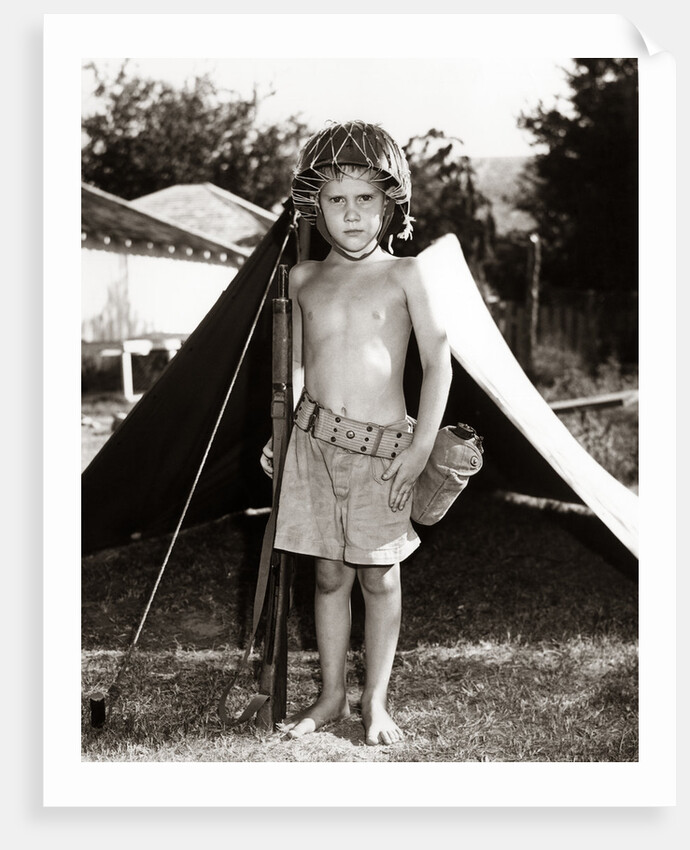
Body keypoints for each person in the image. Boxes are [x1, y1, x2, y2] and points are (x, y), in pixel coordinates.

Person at [260, 120, 452, 746]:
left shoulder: (406, 273)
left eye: (364, 198)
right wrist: (280, 431)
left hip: (383, 453)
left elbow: (439, 359)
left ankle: (376, 702)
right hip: (313, 448)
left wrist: (421, 448)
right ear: (315, 205)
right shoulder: (301, 280)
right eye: (336, 199)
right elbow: (293, 366)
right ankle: (332, 696)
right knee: (327, 576)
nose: (350, 213)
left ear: (388, 203)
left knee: (380, 576)